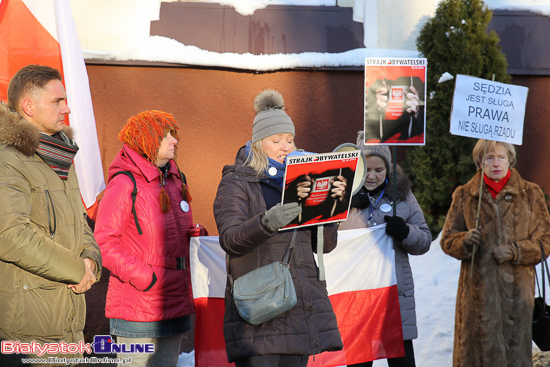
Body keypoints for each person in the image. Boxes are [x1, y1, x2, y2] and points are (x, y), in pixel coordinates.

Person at [213, 89, 344, 367]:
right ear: (259, 143)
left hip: (299, 308)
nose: (286, 147)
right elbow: (231, 239)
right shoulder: (237, 182)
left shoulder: (303, 180)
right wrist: (268, 222)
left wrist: (332, 207)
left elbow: (326, 246)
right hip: (260, 312)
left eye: (290, 140)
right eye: (276, 140)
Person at [0, 64, 102, 363]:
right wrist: (76, 269)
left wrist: (91, 263)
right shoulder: (8, 159)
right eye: (57, 101)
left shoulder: (59, 156)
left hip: (67, 322)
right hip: (26, 331)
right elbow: (10, 235)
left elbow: (80, 223)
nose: (67, 108)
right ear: (28, 106)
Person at [94, 110, 204, 366]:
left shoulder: (176, 181)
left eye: (173, 135)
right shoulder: (125, 182)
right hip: (138, 307)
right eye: (166, 135)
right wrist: (147, 277)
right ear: (147, 140)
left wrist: (196, 239)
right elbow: (104, 242)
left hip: (173, 302)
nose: (174, 141)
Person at [440, 139, 550, 367]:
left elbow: (545, 242)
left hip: (517, 299)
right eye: (489, 158)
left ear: (510, 159)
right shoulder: (464, 195)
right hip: (477, 300)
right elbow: (447, 240)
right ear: (480, 162)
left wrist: (514, 251)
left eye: (501, 157)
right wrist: (465, 241)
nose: (496, 163)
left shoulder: (530, 194)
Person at [339, 131, 431, 367]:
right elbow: (330, 244)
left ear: (388, 170)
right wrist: (348, 208)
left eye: (379, 171)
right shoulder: (343, 197)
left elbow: (424, 240)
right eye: (366, 170)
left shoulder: (403, 195)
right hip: (359, 297)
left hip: (395, 297)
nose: (372, 176)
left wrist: (405, 233)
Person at [364, 76, 425, 143]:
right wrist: (374, 106)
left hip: (408, 135)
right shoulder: (375, 79)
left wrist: (417, 113)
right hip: (381, 138)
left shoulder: (417, 79)